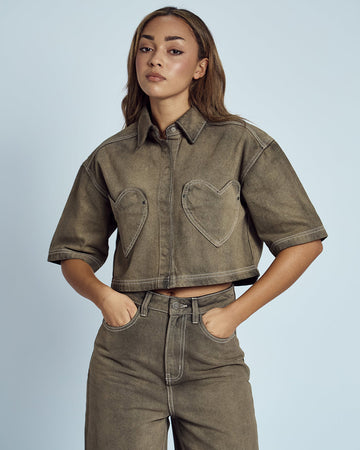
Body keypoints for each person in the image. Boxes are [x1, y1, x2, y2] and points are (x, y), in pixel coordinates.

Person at [47, 6, 328, 450]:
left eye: (173, 50)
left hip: (211, 349)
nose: (155, 59)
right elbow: (73, 251)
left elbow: (304, 242)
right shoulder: (109, 157)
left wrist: (234, 314)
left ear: (200, 67)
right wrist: (104, 297)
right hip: (126, 353)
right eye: (146, 48)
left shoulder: (243, 144)